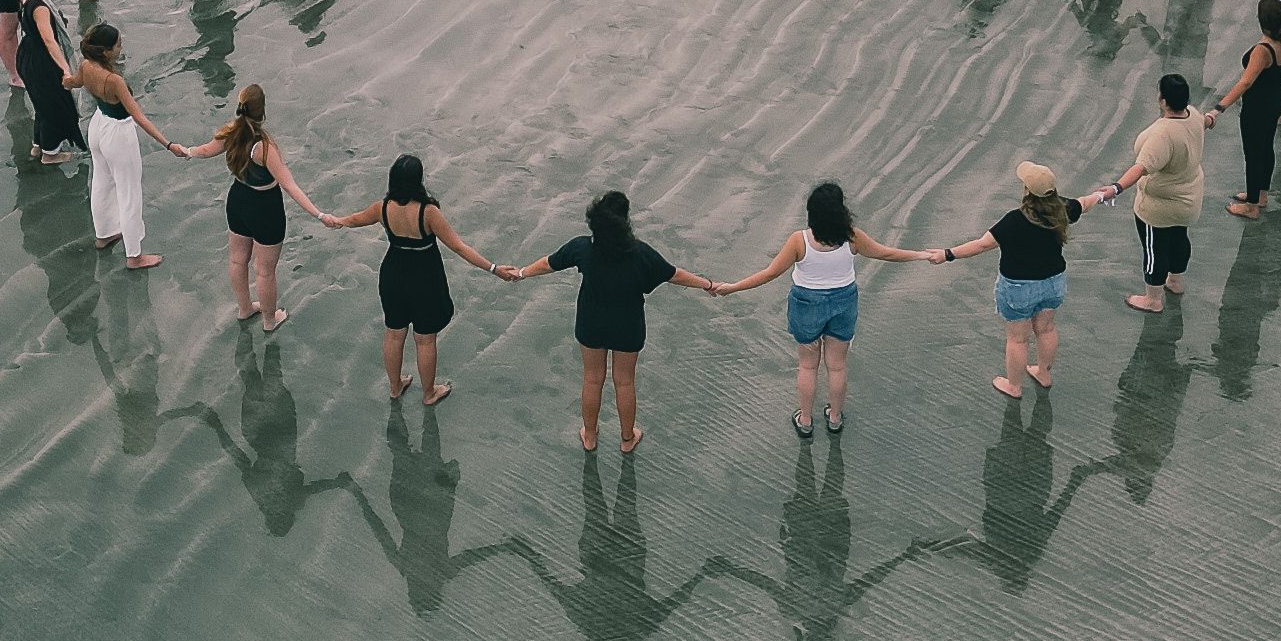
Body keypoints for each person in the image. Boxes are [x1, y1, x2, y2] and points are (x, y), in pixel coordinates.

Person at [712, 180, 930, 435]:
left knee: (807, 366)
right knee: (837, 366)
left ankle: (805, 421)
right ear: (841, 211)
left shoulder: (799, 241)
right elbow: (886, 253)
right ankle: (835, 418)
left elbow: (769, 274)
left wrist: (732, 287)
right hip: (843, 301)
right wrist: (923, 255)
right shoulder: (852, 236)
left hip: (807, 305)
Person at [499, 188, 687, 451]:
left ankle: (589, 436)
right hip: (627, 326)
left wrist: (520, 272)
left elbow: (548, 263)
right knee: (624, 382)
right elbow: (674, 274)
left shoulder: (583, 248)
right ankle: (626, 438)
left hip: (591, 322)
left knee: (592, 379)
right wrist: (710, 284)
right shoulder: (640, 253)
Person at [328, 154, 498, 407]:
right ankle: (429, 393)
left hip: (393, 274)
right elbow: (459, 248)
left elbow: (353, 220)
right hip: (424, 278)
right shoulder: (429, 213)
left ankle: (395, 386)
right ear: (418, 180)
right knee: (425, 339)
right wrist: (494, 268)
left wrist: (335, 220)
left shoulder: (382, 208)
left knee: (394, 333)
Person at [922, 161, 1078, 400]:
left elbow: (982, 244)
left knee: (1018, 339)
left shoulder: (1014, 221)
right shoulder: (1063, 209)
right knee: (1046, 329)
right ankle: (1044, 374)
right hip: (1053, 282)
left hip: (1019, 288)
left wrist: (947, 254)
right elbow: (1084, 204)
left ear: (1027, 191)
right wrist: (1105, 193)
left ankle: (1014, 386)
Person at [209, 82, 331, 325]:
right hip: (264, 209)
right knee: (264, 271)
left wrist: (182, 149)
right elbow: (289, 186)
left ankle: (244, 308)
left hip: (237, 201)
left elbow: (204, 150)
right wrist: (319, 215)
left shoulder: (230, 133)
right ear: (262, 113)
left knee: (236, 259)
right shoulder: (264, 148)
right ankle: (269, 320)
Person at [1082, 73, 1207, 310]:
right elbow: (1205, 123)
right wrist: (1211, 117)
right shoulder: (1194, 115)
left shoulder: (1163, 134)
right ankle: (1176, 282)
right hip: (1189, 199)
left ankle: (1152, 299)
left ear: (1163, 100)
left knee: (1154, 249)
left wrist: (1115, 188)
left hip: (1159, 207)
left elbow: (1141, 168)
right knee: (1180, 239)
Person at [74, 22, 190, 270]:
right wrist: (169, 145)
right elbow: (138, 116)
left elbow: (73, 82)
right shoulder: (114, 80)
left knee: (102, 182)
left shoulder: (86, 65)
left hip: (97, 125)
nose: (121, 47)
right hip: (117, 133)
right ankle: (134, 255)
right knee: (129, 192)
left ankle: (104, 234)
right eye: (117, 44)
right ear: (105, 51)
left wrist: (63, 80)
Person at [1219, 0, 1281, 216]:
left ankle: (1251, 206)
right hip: (1277, 97)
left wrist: (1220, 106)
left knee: (1253, 153)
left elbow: (1246, 81)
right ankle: (1261, 194)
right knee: (1266, 147)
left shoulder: (1262, 50)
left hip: (1258, 105)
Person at [13, 0, 84, 163]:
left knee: (41, 103)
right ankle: (51, 154)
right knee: (54, 106)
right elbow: (49, 40)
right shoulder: (41, 7)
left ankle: (38, 146)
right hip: (41, 61)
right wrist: (65, 68)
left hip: (26, 54)